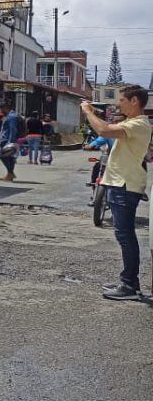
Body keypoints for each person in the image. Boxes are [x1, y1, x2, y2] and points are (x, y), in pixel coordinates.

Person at [82, 86, 152, 300]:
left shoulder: (139, 124)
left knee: (125, 235)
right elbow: (107, 128)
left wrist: (88, 112)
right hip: (118, 183)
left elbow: (103, 131)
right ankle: (129, 281)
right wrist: (97, 115)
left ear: (134, 101)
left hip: (125, 185)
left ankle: (129, 285)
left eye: (122, 100)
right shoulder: (131, 123)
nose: (118, 103)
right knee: (123, 235)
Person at [0, 103, 19, 182]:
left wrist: (11, 142)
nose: (1, 111)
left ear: (6, 108)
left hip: (7, 140)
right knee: (10, 157)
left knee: (3, 156)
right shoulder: (11, 115)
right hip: (6, 139)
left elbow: (13, 129)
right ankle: (10, 174)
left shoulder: (11, 116)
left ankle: (10, 173)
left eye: (2, 109)